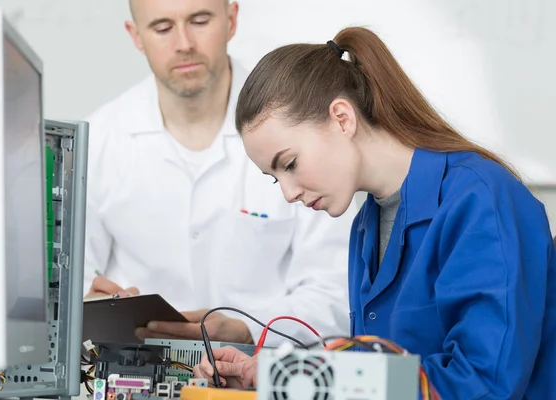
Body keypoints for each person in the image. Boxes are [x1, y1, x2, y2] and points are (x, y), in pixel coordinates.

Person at [193, 26, 556, 398]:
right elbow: (379, 363)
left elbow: (483, 383)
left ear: (342, 118)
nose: (288, 193)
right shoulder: (368, 222)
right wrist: (278, 375)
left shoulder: (480, 199)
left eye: (289, 163)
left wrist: (318, 378)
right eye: (274, 178)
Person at [82, 0, 358, 345]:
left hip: (263, 376)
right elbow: (68, 278)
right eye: (163, 28)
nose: (184, 43)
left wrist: (248, 329)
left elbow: (336, 289)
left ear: (231, 20)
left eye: (199, 20)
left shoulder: (297, 128)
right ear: (135, 36)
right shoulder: (97, 140)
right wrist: (87, 301)